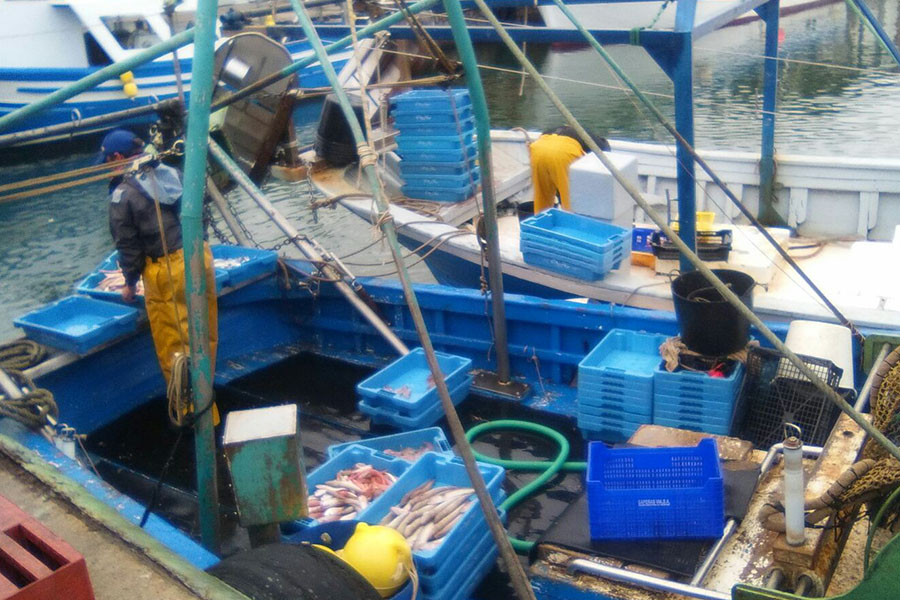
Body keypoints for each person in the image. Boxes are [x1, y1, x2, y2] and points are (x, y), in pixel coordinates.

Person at [101, 129, 218, 386]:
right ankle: (206, 398)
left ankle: (189, 407)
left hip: (167, 272)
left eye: (107, 162)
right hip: (199, 255)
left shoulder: (122, 194)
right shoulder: (173, 173)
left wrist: (130, 284)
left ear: (117, 157)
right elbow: (200, 212)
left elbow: (128, 245)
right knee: (204, 336)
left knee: (175, 349)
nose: (106, 170)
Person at [529, 126, 611, 213]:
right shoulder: (598, 144)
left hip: (538, 148)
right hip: (564, 152)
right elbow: (604, 159)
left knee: (542, 197)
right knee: (569, 199)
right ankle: (570, 219)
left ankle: (541, 219)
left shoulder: (574, 131)